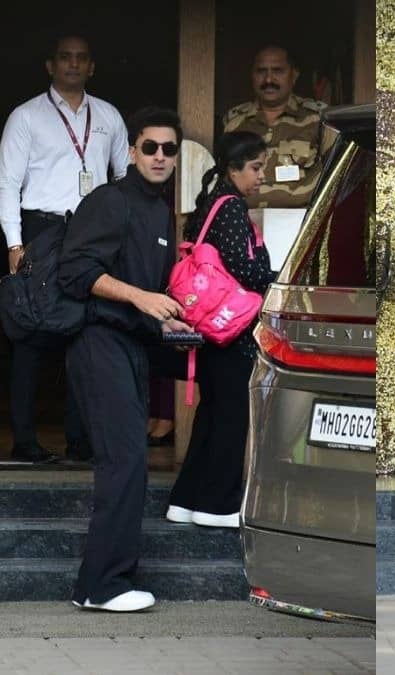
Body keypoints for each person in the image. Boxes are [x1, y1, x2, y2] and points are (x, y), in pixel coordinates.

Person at [58, 106, 188, 612]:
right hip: (97, 341)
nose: (159, 156)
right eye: (150, 147)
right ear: (132, 151)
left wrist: (163, 318)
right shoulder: (110, 200)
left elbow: (147, 292)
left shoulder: (160, 211)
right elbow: (76, 272)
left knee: (130, 461)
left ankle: (107, 581)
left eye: (169, 149)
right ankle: (100, 587)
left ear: (177, 157)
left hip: (132, 343)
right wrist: (140, 298)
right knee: (124, 460)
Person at [0, 33, 130, 463]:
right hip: (42, 228)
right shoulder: (26, 116)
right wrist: (15, 242)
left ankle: (80, 439)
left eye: (81, 58)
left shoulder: (108, 115)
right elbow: (7, 184)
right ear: (50, 66)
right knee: (32, 334)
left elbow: (125, 179)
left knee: (89, 332)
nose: (73, 64)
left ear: (92, 67)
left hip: (94, 232)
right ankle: (24, 441)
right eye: (65, 58)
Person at [166, 131, 278, 529]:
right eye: (255, 167)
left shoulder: (210, 206)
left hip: (210, 330)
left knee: (212, 417)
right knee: (231, 418)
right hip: (231, 331)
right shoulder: (231, 208)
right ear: (234, 169)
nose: (261, 175)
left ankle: (185, 501)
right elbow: (243, 269)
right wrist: (277, 275)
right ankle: (217, 506)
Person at [222, 45, 326, 209]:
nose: (268, 79)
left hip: (301, 226)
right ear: (252, 75)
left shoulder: (317, 118)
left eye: (278, 71)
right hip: (243, 223)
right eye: (261, 71)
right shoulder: (234, 121)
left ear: (294, 75)